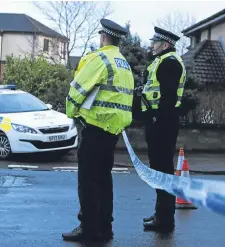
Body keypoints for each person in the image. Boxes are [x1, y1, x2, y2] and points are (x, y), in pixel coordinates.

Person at [62, 19, 134, 242]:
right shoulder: (124, 64)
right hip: (113, 131)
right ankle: (105, 227)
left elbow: (77, 90)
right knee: (104, 179)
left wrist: (71, 113)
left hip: (94, 128)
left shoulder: (99, 59)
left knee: (88, 181)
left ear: (103, 37)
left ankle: (88, 228)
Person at [140, 26, 186, 232]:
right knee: (159, 170)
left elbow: (167, 97)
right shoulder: (163, 61)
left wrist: (156, 118)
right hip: (160, 121)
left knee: (162, 171)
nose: (151, 45)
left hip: (162, 123)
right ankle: (161, 214)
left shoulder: (169, 63)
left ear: (165, 45)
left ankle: (165, 219)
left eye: (155, 42)